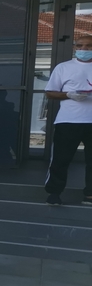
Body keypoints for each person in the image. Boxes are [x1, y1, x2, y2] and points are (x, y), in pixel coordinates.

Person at [44, 35, 92, 206]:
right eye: (80, 46)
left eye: (88, 46)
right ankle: (54, 193)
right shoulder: (64, 67)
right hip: (68, 120)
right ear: (74, 48)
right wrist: (69, 94)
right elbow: (50, 92)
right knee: (60, 159)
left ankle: (90, 195)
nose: (84, 49)